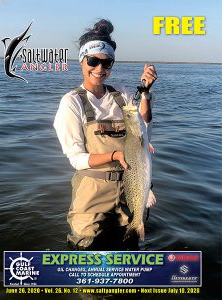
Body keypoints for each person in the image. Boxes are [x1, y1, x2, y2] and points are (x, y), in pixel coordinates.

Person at [54, 19, 157, 251]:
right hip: (92, 193)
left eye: (107, 63)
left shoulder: (121, 94)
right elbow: (76, 158)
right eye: (93, 61)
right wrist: (114, 154)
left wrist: (146, 93)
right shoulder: (71, 103)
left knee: (128, 255)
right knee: (86, 255)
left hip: (129, 189)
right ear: (82, 60)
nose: (100, 69)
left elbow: (144, 128)